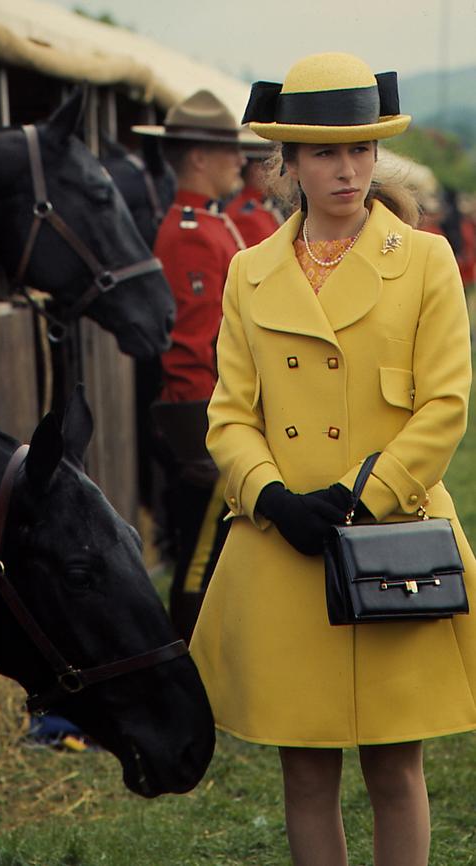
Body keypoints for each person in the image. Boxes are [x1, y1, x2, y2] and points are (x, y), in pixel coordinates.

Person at [189, 51, 476, 866]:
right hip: (287, 550)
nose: (346, 169)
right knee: (305, 768)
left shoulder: (424, 260)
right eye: (324, 152)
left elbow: (446, 403)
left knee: (397, 764)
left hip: (392, 543)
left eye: (359, 149)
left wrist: (364, 499)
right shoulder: (250, 272)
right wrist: (273, 498)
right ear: (289, 163)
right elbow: (230, 415)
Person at [132, 91, 246, 640]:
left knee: (218, 553)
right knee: (199, 561)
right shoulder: (189, 234)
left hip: (217, 410)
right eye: (228, 151)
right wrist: (203, 436)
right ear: (198, 158)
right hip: (202, 416)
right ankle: (188, 671)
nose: (240, 161)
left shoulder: (207, 224)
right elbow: (191, 344)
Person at [225, 128, 281, 246]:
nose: (276, 175)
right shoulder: (246, 215)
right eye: (269, 168)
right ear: (256, 170)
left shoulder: (260, 207)